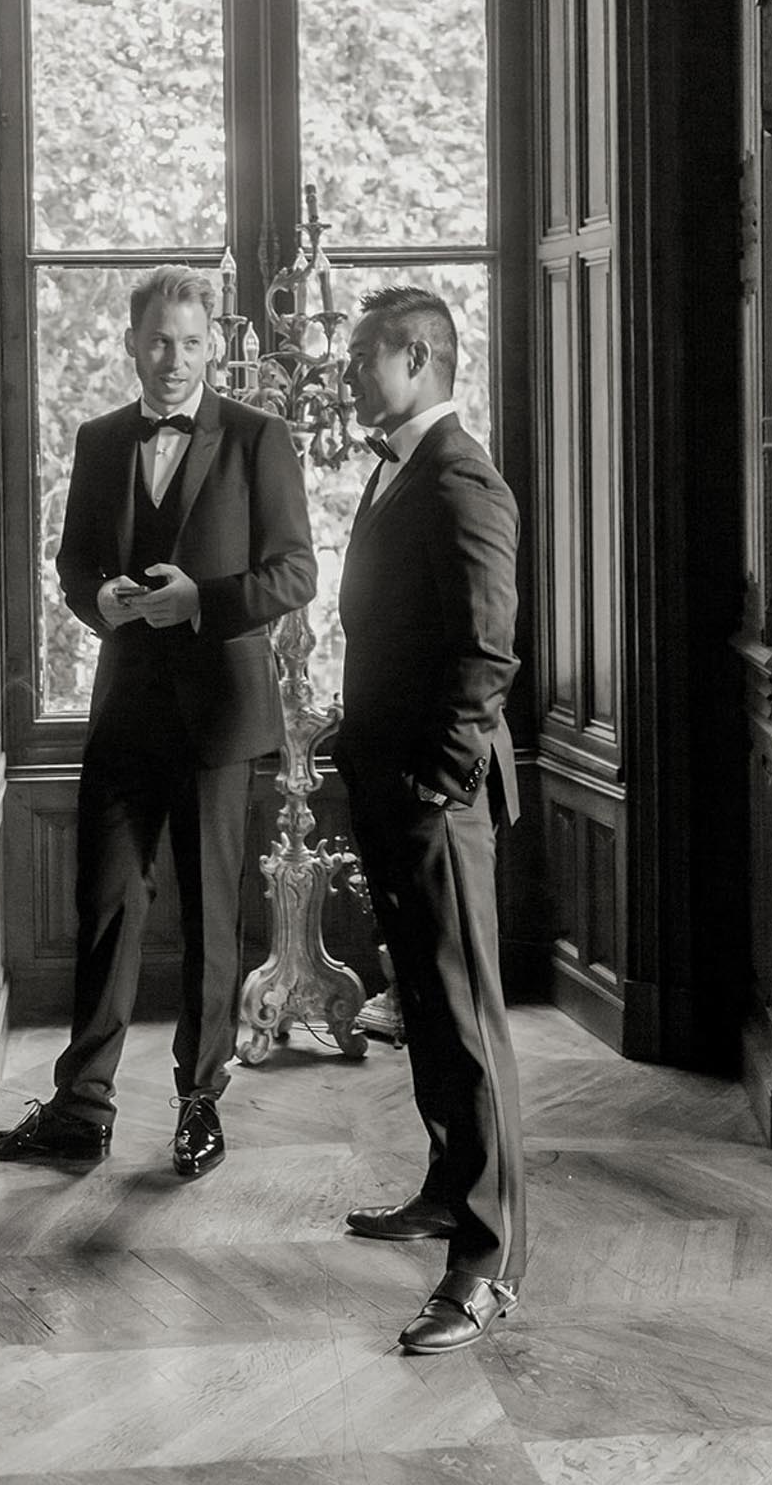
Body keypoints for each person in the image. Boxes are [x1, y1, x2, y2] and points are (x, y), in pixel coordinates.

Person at [0, 264, 316, 1177]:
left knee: (209, 920)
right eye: (159, 341)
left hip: (219, 722)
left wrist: (202, 600)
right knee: (108, 909)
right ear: (131, 342)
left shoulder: (256, 437)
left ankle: (201, 1105)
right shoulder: (100, 438)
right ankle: (82, 1109)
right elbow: (75, 565)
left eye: (192, 344)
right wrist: (101, 600)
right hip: (124, 713)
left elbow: (294, 574)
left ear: (210, 349)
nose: (173, 359)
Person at [334, 286, 524, 1356]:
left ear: (417, 356)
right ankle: (451, 1190)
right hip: (393, 781)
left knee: (469, 1027)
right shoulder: (398, 465)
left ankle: (487, 1263)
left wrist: (435, 781)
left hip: (435, 799)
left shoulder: (461, 476)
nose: (351, 373)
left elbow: (486, 651)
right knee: (427, 1010)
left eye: (365, 356)